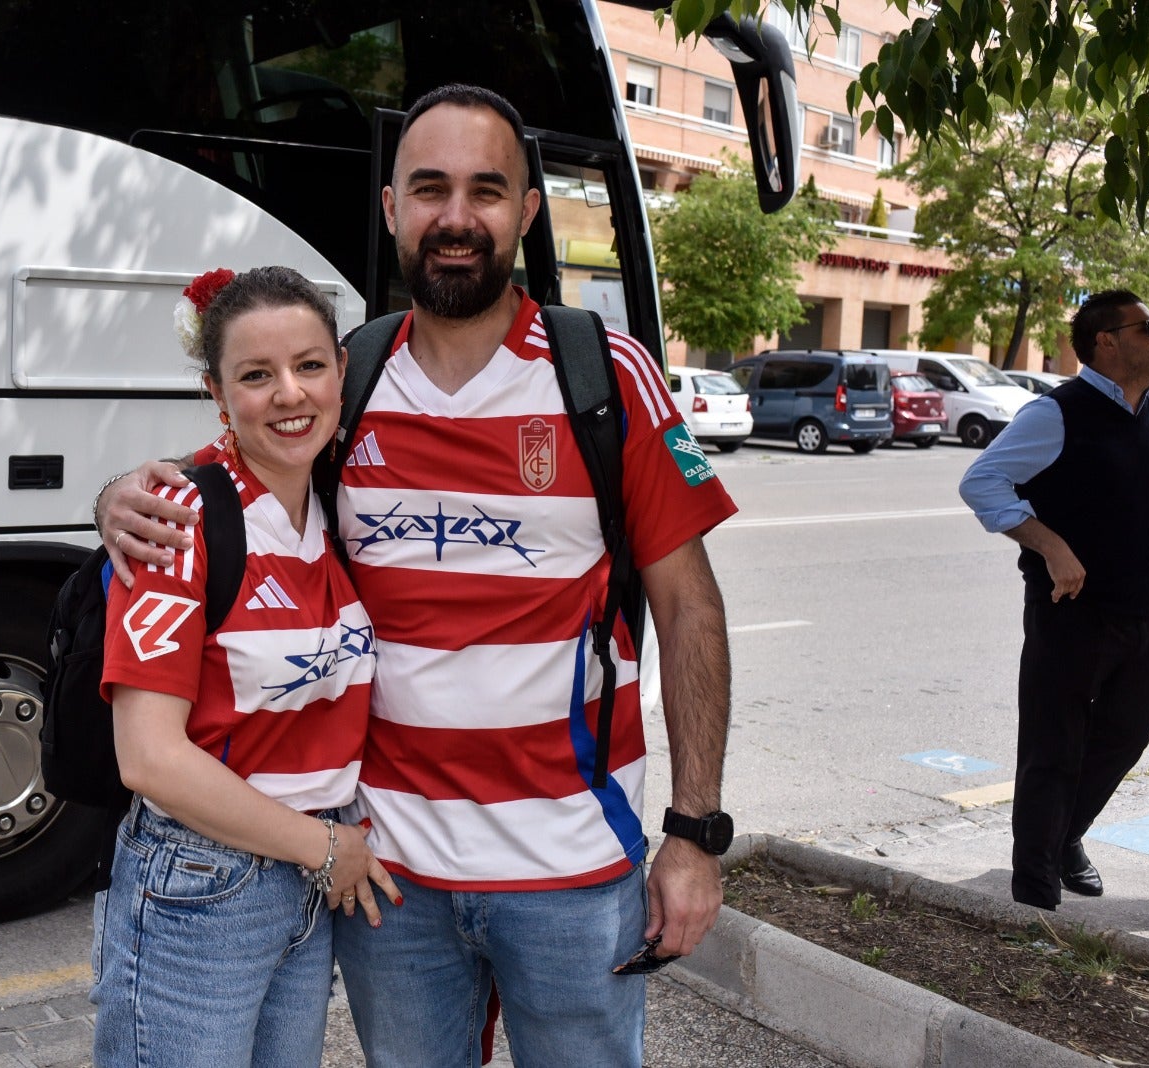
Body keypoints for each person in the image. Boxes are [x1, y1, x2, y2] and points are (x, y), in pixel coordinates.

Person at [97, 85, 736, 1067]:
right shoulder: (347, 376)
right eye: (429, 188)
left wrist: (693, 833)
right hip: (387, 877)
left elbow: (689, 608)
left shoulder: (605, 378)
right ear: (392, 208)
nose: (455, 216)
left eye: (486, 191)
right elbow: (228, 475)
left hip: (570, 870)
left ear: (526, 213)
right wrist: (118, 499)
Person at [90, 265, 399, 1068]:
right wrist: (326, 847)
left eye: (309, 366)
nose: (290, 394)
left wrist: (322, 850)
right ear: (217, 394)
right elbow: (148, 756)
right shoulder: (178, 521)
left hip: (307, 878)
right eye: (256, 376)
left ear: (341, 370)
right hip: (203, 884)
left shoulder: (337, 503)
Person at [959, 288, 1149, 911]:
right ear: (1107, 341)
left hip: (1144, 609)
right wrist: (1049, 543)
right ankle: (1033, 896)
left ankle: (1066, 837)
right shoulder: (1057, 412)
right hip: (1073, 612)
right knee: (1053, 747)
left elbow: (1135, 492)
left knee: (1130, 732)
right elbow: (982, 481)